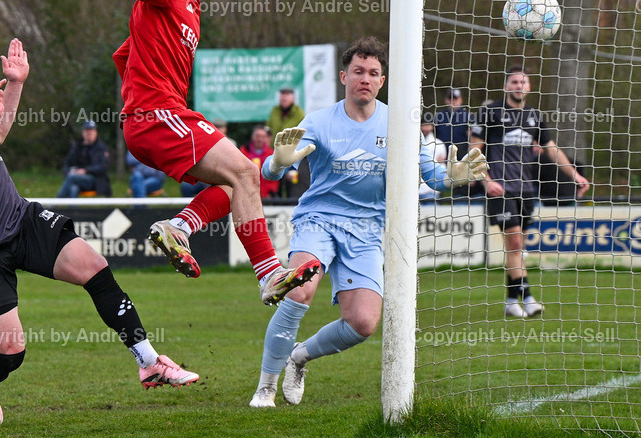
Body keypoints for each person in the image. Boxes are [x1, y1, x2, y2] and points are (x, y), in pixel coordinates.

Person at [0, 41, 198, 426]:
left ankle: (148, 362)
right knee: (10, 352)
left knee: (95, 267)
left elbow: (1, 130)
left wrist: (16, 83)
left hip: (22, 221)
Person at [249, 37, 487, 407]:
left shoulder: (398, 124)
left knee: (362, 324)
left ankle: (300, 356)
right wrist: (278, 161)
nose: (365, 78)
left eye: (373, 73)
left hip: (367, 230)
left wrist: (453, 178)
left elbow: (432, 178)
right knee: (298, 290)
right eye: (358, 71)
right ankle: (265, 387)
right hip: (320, 220)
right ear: (344, 76)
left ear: (382, 80)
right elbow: (272, 171)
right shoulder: (318, 121)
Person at [113, 0, 319, 303]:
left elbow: (124, 53)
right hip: (158, 115)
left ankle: (181, 228)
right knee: (246, 169)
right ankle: (269, 275)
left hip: (157, 115)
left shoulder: (191, 6)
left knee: (238, 184)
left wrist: (139, 89)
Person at [469, 65, 590, 318]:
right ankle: (530, 298)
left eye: (523, 82)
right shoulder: (491, 112)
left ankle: (512, 302)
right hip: (500, 189)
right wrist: (485, 181)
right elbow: (475, 150)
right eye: (513, 82)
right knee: (514, 242)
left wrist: (575, 175)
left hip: (526, 190)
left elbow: (552, 149)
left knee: (518, 247)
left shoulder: (534, 116)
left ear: (529, 87)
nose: (518, 86)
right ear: (506, 86)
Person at [57, 120, 112, 198]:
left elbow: (103, 167)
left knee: (72, 178)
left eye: (91, 131)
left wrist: (85, 170)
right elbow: (66, 164)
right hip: (76, 178)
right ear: (83, 132)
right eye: (87, 131)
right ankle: (73, 210)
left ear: (96, 132)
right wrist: (69, 171)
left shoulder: (101, 148)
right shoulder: (77, 147)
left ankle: (55, 204)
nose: (89, 133)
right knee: (73, 188)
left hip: (95, 180)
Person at [180, 120, 230, 197]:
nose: (218, 129)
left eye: (220, 127)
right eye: (216, 127)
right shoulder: (205, 140)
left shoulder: (231, 143)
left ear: (225, 129)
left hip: (220, 178)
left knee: (211, 190)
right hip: (202, 176)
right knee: (186, 186)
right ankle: (188, 208)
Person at [240, 125, 279, 199]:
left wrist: (271, 191)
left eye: (262, 136)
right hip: (246, 192)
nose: (259, 139)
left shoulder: (271, 153)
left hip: (266, 194)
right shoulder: (243, 151)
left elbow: (275, 174)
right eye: (257, 136)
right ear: (252, 136)